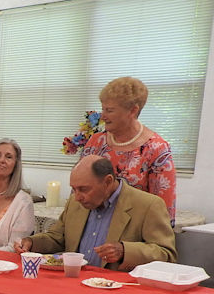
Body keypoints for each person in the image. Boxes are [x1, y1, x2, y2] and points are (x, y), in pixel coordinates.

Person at [13, 155, 176, 270]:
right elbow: (57, 238)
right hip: (74, 281)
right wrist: (31, 243)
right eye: (74, 189)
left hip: (117, 289)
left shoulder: (147, 205)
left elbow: (166, 254)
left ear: (108, 182)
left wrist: (125, 251)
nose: (77, 197)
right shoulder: (75, 203)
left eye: (83, 189)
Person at [81, 77, 176, 226]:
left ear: (133, 111)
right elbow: (78, 193)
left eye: (109, 110)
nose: (103, 116)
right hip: (93, 228)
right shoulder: (96, 142)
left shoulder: (156, 149)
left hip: (133, 231)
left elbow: (163, 210)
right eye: (103, 109)